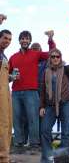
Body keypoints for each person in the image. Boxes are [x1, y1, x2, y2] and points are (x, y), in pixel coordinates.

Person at [9, 30, 55, 151]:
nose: (24, 40)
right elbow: (6, 75)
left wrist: (50, 39)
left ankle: (34, 144)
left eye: (27, 39)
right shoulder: (13, 57)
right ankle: (18, 143)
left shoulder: (36, 54)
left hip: (31, 92)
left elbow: (52, 53)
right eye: (22, 38)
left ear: (29, 41)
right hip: (15, 92)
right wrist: (11, 77)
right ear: (19, 41)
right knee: (17, 118)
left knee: (33, 118)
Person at [39, 46, 69, 163]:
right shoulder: (46, 72)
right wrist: (41, 106)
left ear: (60, 58)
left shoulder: (67, 69)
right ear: (49, 59)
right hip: (50, 105)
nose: (55, 58)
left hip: (66, 103)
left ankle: (62, 159)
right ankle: (48, 158)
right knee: (44, 129)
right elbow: (42, 91)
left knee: (66, 132)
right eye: (53, 56)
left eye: (57, 56)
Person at [0, 28, 12, 163]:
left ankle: (5, 156)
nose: (7, 41)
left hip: (5, 92)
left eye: (9, 39)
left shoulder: (4, 56)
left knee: (7, 124)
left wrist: (10, 77)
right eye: (5, 38)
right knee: (2, 123)